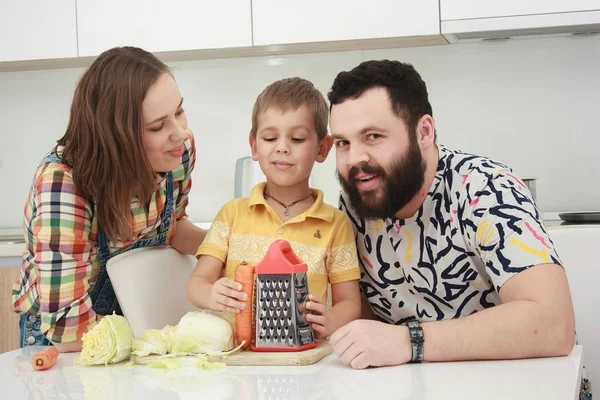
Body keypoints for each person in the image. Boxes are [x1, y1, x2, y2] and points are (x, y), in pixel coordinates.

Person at [327, 59, 584, 395]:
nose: (354, 159)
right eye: (342, 143)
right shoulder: (360, 200)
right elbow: (360, 313)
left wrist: (410, 341)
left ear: (424, 132)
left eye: (373, 136)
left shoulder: (485, 188)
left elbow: (553, 323)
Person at [12, 46, 206, 353]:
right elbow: (68, 329)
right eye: (157, 126)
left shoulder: (177, 151)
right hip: (64, 342)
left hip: (131, 327)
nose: (180, 133)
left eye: (179, 111)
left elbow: (173, 228)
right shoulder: (64, 183)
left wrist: (232, 245)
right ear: (117, 137)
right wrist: (158, 341)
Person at [187, 77, 361, 339]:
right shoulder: (231, 214)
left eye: (298, 139)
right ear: (254, 146)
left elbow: (349, 303)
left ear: (322, 148)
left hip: (304, 359)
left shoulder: (335, 224)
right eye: (270, 138)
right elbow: (196, 283)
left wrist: (333, 319)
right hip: (237, 360)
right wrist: (211, 294)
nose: (282, 147)